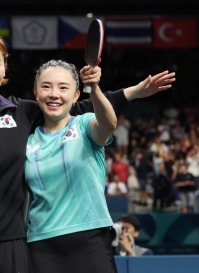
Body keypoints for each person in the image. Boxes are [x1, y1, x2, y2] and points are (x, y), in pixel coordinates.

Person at [0, 31, 175, 273]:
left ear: (4, 69)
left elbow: (71, 106)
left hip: (10, 245)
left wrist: (134, 92)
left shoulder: (22, 112)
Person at [24, 60, 118, 273]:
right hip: (40, 244)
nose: (54, 94)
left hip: (90, 238)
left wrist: (94, 89)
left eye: (63, 87)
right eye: (46, 86)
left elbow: (108, 124)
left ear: (76, 95)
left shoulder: (84, 124)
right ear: (36, 93)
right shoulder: (27, 141)